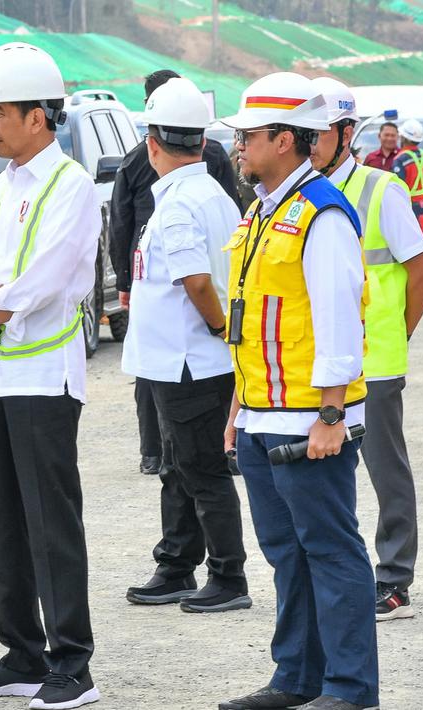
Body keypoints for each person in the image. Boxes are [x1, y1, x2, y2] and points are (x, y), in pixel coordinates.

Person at [0, 43, 100, 709]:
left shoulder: (71, 186)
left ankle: (71, 664)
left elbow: (43, 277)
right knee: (4, 521)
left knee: (49, 524)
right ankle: (22, 654)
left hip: (41, 379)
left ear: (38, 117)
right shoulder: (3, 187)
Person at [219, 72, 377, 710]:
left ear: (286, 140)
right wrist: (237, 411)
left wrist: (332, 415)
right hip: (263, 415)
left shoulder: (321, 214)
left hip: (310, 418)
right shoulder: (261, 210)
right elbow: (248, 319)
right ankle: (296, 679)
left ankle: (349, 688)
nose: (239, 145)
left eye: (249, 136)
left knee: (332, 553)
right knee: (287, 554)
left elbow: (340, 318)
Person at [119, 78, 250, 615]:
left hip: (188, 361)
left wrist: (219, 328)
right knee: (179, 465)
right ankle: (177, 563)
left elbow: (197, 282)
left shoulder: (178, 204)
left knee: (201, 470)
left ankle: (228, 576)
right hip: (179, 361)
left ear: (153, 144)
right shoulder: (210, 192)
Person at [311, 77, 423, 623]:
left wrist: (397, 333)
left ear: (343, 134)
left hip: (376, 359)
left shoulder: (382, 190)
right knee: (324, 475)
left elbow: (422, 272)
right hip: (317, 361)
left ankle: (394, 580)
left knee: (385, 470)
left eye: (314, 134)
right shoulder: (297, 196)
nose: (305, 143)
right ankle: (341, 577)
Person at [109, 69, 239, 478]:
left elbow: (121, 222)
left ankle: (153, 452)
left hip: (171, 301)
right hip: (197, 298)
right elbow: (233, 220)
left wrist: (125, 280)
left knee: (158, 385)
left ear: (152, 139)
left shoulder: (141, 166)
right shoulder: (214, 163)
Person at [391, 118, 423, 232]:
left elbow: (397, 188)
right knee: (420, 245)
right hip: (422, 208)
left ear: (403, 137)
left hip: (406, 208)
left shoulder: (399, 159)